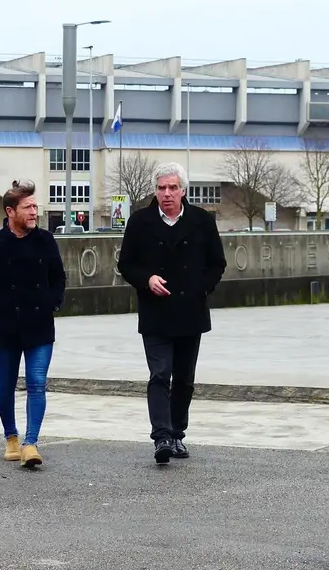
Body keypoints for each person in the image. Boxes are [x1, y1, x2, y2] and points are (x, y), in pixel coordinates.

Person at [117, 162, 227, 464]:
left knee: (184, 378)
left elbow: (217, 263)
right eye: (162, 188)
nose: (167, 194)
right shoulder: (140, 222)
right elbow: (126, 264)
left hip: (190, 311)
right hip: (155, 312)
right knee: (159, 373)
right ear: (155, 191)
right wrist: (147, 279)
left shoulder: (202, 221)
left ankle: (178, 433)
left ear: (183, 191)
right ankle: (162, 436)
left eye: (173, 188)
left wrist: (200, 288)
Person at [0, 179, 66, 469]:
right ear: (11, 212)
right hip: (6, 327)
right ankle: (11, 436)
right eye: (28, 207)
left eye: (36, 206)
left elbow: (58, 277)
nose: (34, 212)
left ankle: (30, 443)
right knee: (6, 386)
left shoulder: (45, 240)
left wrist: (52, 303)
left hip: (39, 326)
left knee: (37, 384)